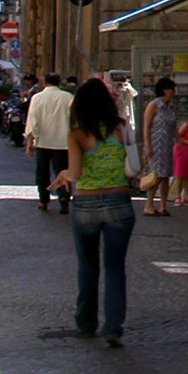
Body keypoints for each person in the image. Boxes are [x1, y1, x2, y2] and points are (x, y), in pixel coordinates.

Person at [51, 77, 135, 347]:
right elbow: (133, 164)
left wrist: (63, 174)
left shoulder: (77, 134)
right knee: (114, 266)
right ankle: (113, 327)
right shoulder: (121, 128)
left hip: (86, 204)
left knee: (87, 265)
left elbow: (75, 174)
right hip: (119, 201)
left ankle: (86, 322)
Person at [25, 73, 73, 212]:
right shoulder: (68, 98)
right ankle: (64, 199)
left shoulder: (37, 98)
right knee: (63, 171)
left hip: (43, 142)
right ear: (59, 83)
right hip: (63, 142)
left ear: (45, 83)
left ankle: (43, 200)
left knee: (42, 173)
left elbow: (32, 121)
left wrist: (30, 142)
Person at [141, 77, 177, 217]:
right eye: (171, 89)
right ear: (165, 90)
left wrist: (178, 140)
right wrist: (148, 145)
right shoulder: (153, 106)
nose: (174, 92)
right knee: (156, 175)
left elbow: (173, 126)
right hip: (155, 144)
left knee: (166, 175)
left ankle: (163, 205)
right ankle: (149, 204)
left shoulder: (169, 107)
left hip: (167, 144)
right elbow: (146, 127)